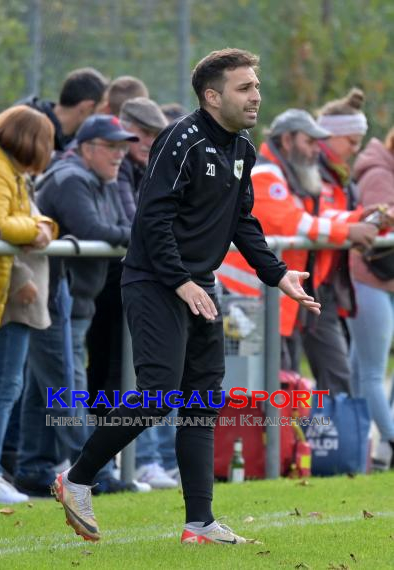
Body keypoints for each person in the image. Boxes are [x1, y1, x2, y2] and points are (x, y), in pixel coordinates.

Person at [51, 48, 320, 545]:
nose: (256, 94)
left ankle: (199, 524)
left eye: (256, 85)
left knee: (202, 400)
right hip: (156, 281)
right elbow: (151, 219)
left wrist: (278, 274)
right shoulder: (181, 138)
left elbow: (242, 222)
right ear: (212, 96)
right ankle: (77, 478)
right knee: (158, 394)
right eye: (245, 87)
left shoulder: (242, 149)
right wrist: (180, 280)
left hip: (198, 284)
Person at [14, 115, 136, 498]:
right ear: (87, 148)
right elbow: (93, 230)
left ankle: (32, 468)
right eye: (111, 147)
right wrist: (136, 238)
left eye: (122, 148)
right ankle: (91, 472)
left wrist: (131, 236)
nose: (119, 155)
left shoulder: (101, 179)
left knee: (43, 389)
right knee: (67, 386)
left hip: (73, 301)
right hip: (55, 300)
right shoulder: (71, 178)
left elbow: (120, 226)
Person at [219, 109, 377, 392]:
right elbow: (293, 222)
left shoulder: (287, 173)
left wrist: (360, 218)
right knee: (253, 390)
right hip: (247, 303)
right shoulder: (266, 173)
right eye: (310, 142)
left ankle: (282, 437)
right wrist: (349, 231)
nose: (316, 151)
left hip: (268, 300)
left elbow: (321, 218)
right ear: (287, 140)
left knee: (280, 386)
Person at [85, 98, 173, 489]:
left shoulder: (140, 169)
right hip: (108, 288)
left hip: (117, 285)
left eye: (157, 135)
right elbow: (133, 226)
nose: (149, 142)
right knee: (112, 379)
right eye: (146, 134)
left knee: (126, 379)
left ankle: (130, 464)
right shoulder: (119, 172)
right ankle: (108, 468)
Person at [0, 105, 57, 503]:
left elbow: (24, 220)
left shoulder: (4, 165)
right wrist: (37, 230)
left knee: (4, 386)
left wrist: (41, 227)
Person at [348, 127, 394, 467]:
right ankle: (389, 443)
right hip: (370, 279)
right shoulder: (379, 174)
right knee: (372, 373)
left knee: (359, 367)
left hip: (383, 281)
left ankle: (360, 448)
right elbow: (371, 223)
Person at [20, 67, 108, 153]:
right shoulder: (27, 128)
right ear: (87, 107)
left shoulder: (74, 143)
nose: (104, 115)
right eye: (101, 110)